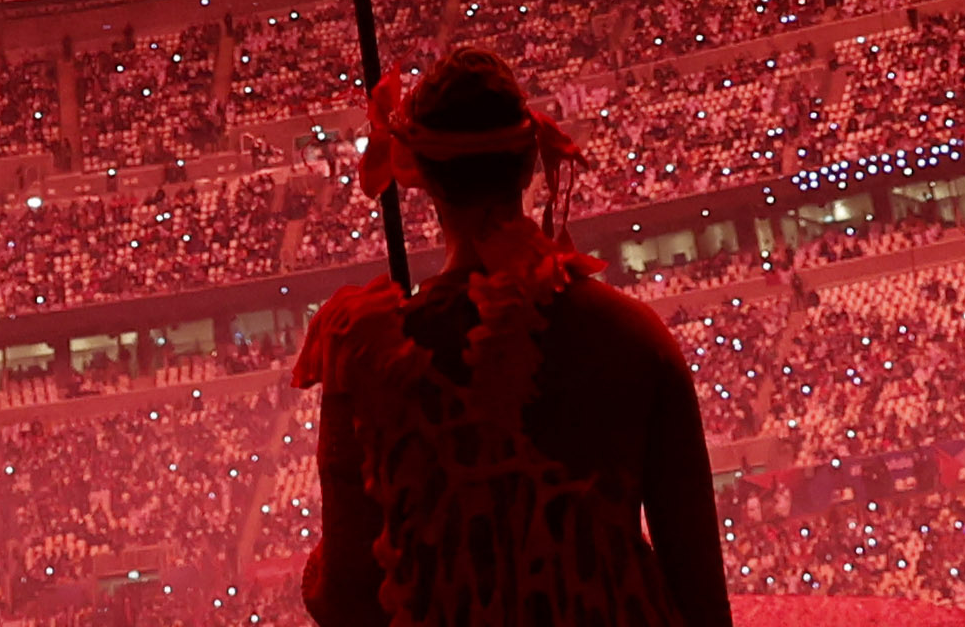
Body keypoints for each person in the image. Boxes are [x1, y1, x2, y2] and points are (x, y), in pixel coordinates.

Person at [298, 52, 726, 627]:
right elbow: (699, 593)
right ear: (530, 164)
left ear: (416, 172)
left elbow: (348, 597)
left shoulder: (370, 355)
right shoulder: (636, 338)